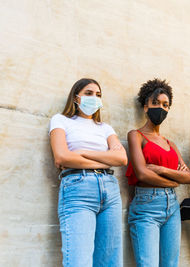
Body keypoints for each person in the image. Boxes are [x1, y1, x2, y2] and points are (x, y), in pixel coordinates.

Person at [49, 78, 127, 267]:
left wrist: (82, 153)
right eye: (89, 93)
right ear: (76, 98)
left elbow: (122, 159)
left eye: (98, 95)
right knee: (79, 260)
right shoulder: (61, 120)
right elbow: (61, 157)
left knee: (110, 260)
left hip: (110, 191)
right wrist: (103, 158)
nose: (94, 98)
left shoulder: (105, 128)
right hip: (78, 189)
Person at [126, 78, 190, 267]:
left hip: (172, 206)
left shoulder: (170, 143)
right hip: (146, 205)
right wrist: (173, 181)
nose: (160, 108)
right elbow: (142, 174)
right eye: (155, 103)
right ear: (145, 106)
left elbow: (188, 177)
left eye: (165, 105)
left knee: (171, 263)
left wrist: (162, 169)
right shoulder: (136, 136)